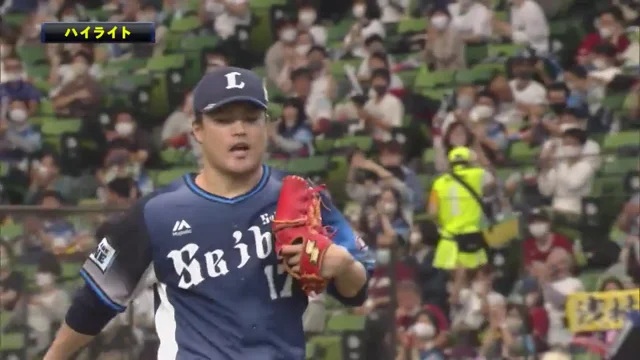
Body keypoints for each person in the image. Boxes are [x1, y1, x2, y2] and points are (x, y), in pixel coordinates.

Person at [44, 67, 373, 360]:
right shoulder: (157, 213)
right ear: (198, 129)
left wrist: (343, 265)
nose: (239, 129)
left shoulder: (299, 196)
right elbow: (93, 304)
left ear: (267, 126)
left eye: (250, 117)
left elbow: (356, 291)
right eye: (224, 119)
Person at [429, 146, 496, 271]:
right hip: (471, 239)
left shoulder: (438, 183)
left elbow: (432, 212)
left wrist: (441, 226)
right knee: (474, 278)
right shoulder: (480, 175)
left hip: (448, 241)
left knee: (452, 282)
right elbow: (492, 183)